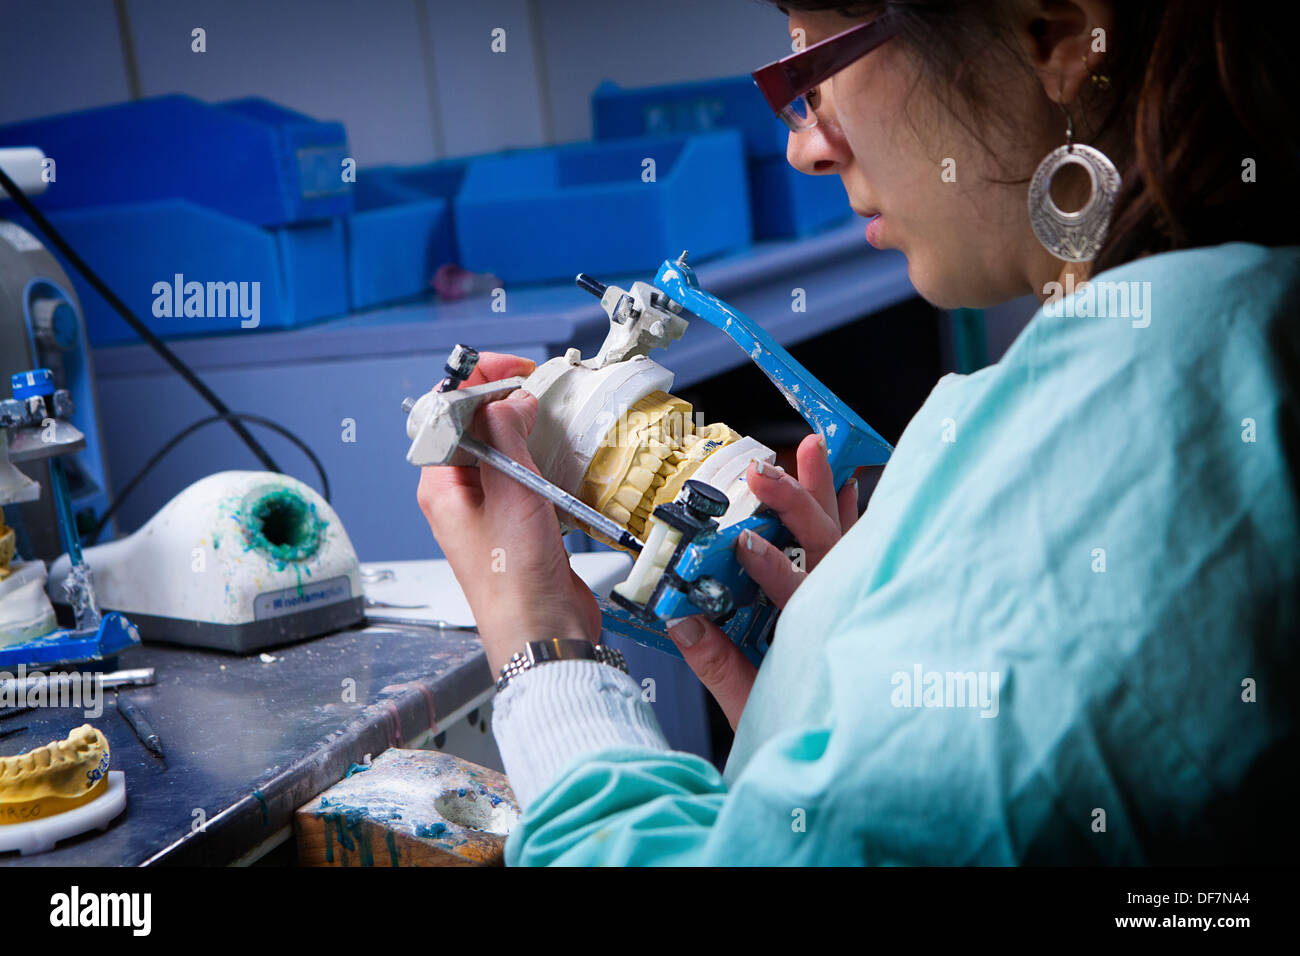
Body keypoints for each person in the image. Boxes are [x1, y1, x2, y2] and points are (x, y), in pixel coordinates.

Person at [417, 0, 1299, 864]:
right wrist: (831, 710)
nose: (805, 144)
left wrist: (541, 642)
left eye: (810, 70)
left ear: (1056, 36)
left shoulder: (1123, 447)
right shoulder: (1237, 326)